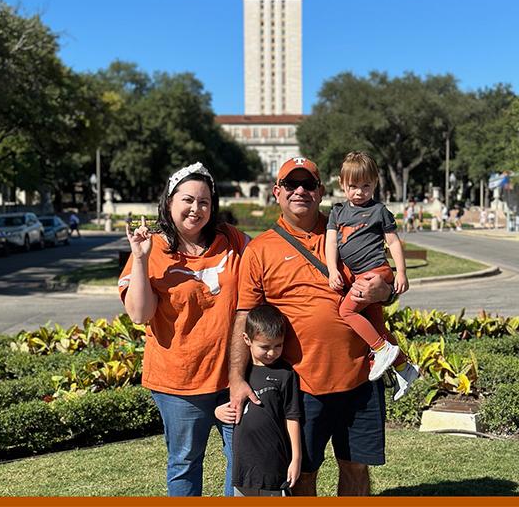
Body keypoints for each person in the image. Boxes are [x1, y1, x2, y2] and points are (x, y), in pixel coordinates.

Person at [229, 156, 416, 497]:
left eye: (309, 184)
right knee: (303, 473)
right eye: (291, 184)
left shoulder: (350, 227)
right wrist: (236, 379)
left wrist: (385, 291)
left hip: (361, 377)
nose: (300, 190)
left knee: (356, 466)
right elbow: (245, 316)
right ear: (277, 192)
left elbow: (383, 280)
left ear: (322, 191)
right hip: (303, 385)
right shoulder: (259, 250)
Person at [119, 162, 248, 497]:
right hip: (179, 382)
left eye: (204, 202)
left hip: (231, 377)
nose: (196, 209)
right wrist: (142, 258)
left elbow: (267, 263)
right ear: (170, 202)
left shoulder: (231, 239)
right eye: (188, 200)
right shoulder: (152, 247)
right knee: (185, 462)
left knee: (244, 460)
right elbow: (139, 314)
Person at [325, 151, 410, 382]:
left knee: (347, 311)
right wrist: (333, 269)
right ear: (342, 184)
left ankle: (382, 350)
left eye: (366, 185)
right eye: (353, 186)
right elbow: (331, 241)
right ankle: (405, 368)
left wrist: (400, 272)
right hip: (359, 277)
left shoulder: (378, 211)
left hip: (374, 273)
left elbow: (392, 241)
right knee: (378, 327)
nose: (359, 192)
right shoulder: (338, 212)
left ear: (375, 183)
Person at [214, 304, 302, 497]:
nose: (272, 353)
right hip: (244, 464)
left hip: (275, 460)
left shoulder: (285, 374)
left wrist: (296, 457)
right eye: (265, 347)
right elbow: (223, 403)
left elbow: (292, 416)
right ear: (247, 339)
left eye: (278, 346)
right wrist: (217, 412)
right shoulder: (239, 374)